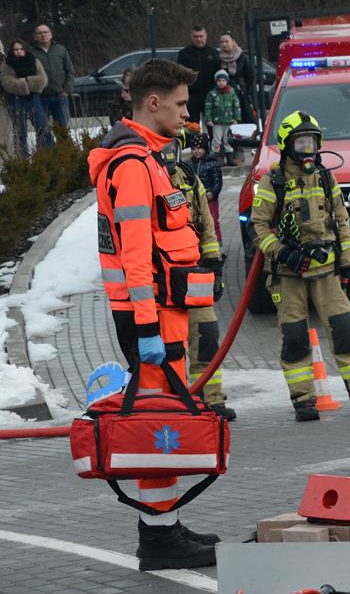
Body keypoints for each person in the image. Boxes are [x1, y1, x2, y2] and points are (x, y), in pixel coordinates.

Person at [86, 58, 220, 570]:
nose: (188, 115)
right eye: (182, 105)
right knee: (158, 425)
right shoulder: (133, 166)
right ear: (153, 102)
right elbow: (136, 256)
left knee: (161, 422)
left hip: (161, 312)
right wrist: (145, 326)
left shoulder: (147, 159)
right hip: (152, 316)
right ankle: (160, 540)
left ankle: (163, 526)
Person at [251, 111, 350, 421]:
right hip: (289, 275)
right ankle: (303, 401)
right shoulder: (273, 182)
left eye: (312, 142)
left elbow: (342, 224)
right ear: (288, 146)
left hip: (326, 271)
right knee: (296, 337)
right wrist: (284, 254)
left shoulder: (327, 178)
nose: (308, 150)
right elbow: (258, 227)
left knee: (346, 332)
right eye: (301, 143)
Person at [159, 129, 235, 421]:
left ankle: (211, 400)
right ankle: (176, 406)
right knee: (171, 348)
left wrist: (215, 267)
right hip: (164, 282)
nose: (168, 154)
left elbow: (207, 228)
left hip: (196, 276)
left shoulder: (191, 180)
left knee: (207, 339)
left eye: (172, 147)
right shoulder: (147, 181)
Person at [1, 39, 47, 155]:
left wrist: (26, 81)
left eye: (21, 49)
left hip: (34, 97)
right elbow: (7, 82)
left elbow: (43, 80)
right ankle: (23, 157)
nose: (19, 51)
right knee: (20, 130)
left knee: (42, 126)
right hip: (15, 99)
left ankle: (46, 154)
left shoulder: (34, 61)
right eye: (16, 49)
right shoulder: (7, 64)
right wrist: (26, 84)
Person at [31, 23, 75, 146]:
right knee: (42, 129)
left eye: (45, 32)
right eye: (39, 33)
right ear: (35, 37)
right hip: (39, 97)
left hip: (60, 96)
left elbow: (70, 71)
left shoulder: (61, 50)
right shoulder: (31, 52)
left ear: (51, 34)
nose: (43, 35)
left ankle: (65, 156)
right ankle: (46, 158)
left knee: (62, 129)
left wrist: (67, 90)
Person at [176, 25, 219, 124]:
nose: (199, 39)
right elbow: (179, 75)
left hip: (210, 96)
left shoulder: (214, 53)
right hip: (191, 96)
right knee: (191, 127)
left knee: (212, 126)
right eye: (195, 37)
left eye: (201, 36)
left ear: (206, 36)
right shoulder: (184, 54)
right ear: (191, 37)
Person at [187, 129, 224, 243]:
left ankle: (218, 245)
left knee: (212, 221)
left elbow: (218, 182)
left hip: (209, 199)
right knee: (196, 221)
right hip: (195, 198)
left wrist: (212, 193)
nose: (196, 151)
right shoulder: (189, 164)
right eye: (193, 149)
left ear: (205, 148)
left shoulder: (212, 163)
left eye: (199, 148)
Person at [218, 33, 257, 124]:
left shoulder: (242, 56)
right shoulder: (218, 58)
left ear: (233, 42)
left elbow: (250, 75)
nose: (224, 44)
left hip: (241, 93)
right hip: (224, 95)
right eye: (222, 42)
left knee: (246, 118)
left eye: (226, 41)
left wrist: (244, 88)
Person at [204, 70, 241, 165]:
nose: (221, 83)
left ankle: (230, 158)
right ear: (216, 82)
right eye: (219, 80)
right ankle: (217, 158)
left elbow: (236, 105)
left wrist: (236, 118)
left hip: (229, 122)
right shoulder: (212, 94)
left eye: (223, 80)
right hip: (217, 122)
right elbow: (208, 107)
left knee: (228, 140)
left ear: (227, 81)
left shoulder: (231, 92)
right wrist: (208, 119)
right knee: (216, 140)